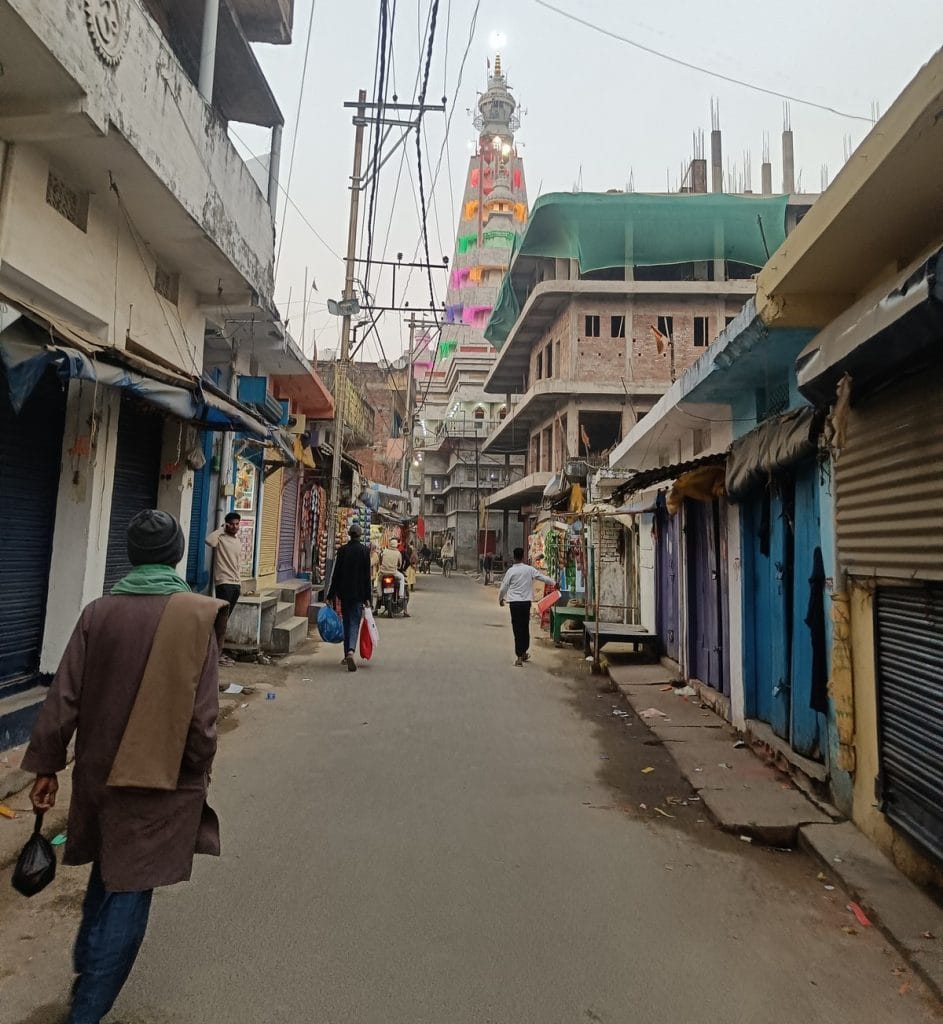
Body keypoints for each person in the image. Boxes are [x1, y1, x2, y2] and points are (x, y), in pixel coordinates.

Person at [22, 509, 227, 1024]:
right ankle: (87, 1009)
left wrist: (46, 767)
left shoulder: (98, 613)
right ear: (177, 554)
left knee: (110, 870)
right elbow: (203, 720)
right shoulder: (195, 615)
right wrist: (200, 769)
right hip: (159, 779)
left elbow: (62, 697)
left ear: (133, 556)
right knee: (132, 886)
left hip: (97, 772)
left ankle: (86, 970)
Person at [498, 547, 556, 667]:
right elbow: (542, 577)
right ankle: (523, 652)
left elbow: (504, 587)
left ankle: (519, 655)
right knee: (524, 627)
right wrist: (554, 583)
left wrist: (500, 599)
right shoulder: (529, 570)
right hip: (525, 603)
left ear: (514, 557)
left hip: (514, 604)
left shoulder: (511, 571)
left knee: (517, 628)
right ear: (523, 556)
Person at [326, 523, 373, 672]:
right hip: (358, 594)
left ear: (349, 534)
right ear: (360, 535)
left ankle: (347, 654)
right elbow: (367, 576)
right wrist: (368, 597)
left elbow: (336, 575)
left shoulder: (343, 550)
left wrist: (330, 594)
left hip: (344, 594)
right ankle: (351, 652)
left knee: (346, 622)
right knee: (354, 623)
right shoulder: (365, 551)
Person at [205, 511, 242, 666]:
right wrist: (221, 529)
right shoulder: (220, 538)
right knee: (221, 622)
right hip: (224, 583)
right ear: (227, 524)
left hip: (236, 584)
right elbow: (208, 541)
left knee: (224, 622)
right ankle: (215, 654)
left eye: (237, 524)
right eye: (232, 524)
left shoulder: (237, 541)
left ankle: (217, 652)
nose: (234, 527)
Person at [378, 538, 409, 613]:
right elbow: (400, 563)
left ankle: (379, 595)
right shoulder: (398, 553)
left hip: (383, 572)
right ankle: (401, 595)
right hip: (393, 572)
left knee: (379, 581)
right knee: (401, 578)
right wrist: (398, 567)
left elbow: (381, 560)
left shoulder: (384, 551)